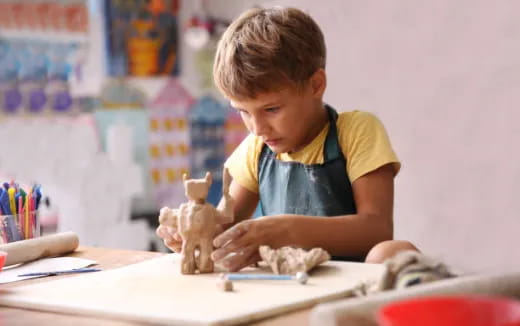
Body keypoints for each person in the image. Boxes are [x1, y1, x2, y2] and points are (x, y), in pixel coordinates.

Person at [157, 6, 418, 272]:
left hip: (349, 286)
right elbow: (227, 227)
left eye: (271, 109)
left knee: (394, 252)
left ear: (316, 85)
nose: (257, 128)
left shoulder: (355, 131)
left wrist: (286, 229)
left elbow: (377, 229)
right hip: (283, 285)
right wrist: (196, 234)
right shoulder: (257, 148)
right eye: (243, 112)